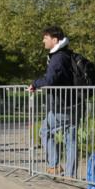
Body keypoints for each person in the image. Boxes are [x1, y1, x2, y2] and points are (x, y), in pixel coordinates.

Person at [27, 26, 79, 177]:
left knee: (45, 131)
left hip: (62, 105)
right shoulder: (66, 55)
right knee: (70, 138)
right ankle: (70, 174)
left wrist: (35, 84)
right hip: (74, 103)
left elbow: (50, 79)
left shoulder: (58, 57)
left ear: (54, 40)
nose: (43, 40)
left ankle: (53, 165)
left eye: (45, 37)